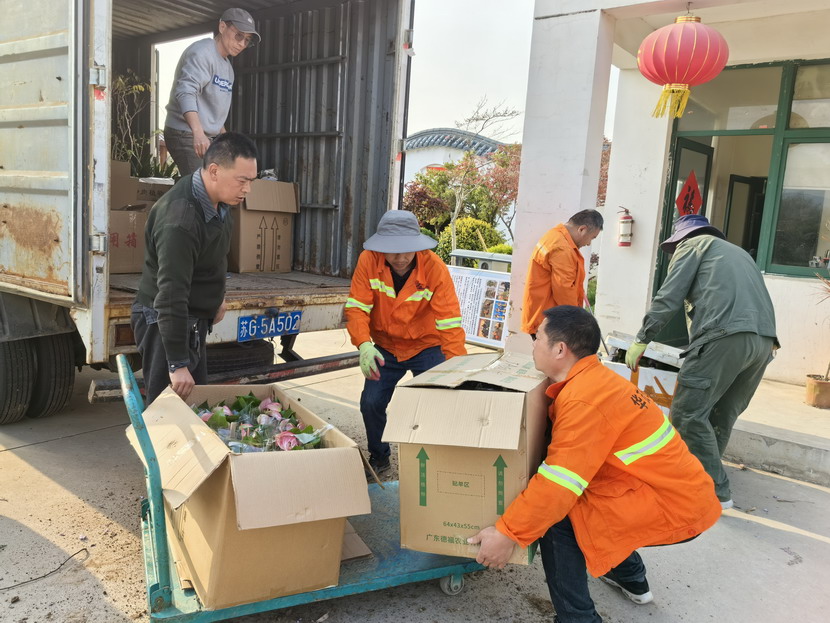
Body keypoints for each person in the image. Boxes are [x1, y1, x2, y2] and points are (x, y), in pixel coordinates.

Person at [468, 306, 722, 623]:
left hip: (672, 503)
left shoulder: (584, 400)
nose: (533, 344)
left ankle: (578, 619)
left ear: (560, 349)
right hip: (669, 491)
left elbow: (557, 487)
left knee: (560, 518)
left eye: (538, 337)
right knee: (588, 508)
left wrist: (508, 533)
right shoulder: (593, 380)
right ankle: (632, 579)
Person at [625, 213, 778, 509]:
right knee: (720, 414)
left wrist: (642, 338)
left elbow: (669, 296)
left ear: (682, 238)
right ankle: (704, 484)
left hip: (725, 338)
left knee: (688, 412)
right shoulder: (739, 254)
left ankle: (714, 492)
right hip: (764, 343)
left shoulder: (693, 246)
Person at [131, 132, 258, 405]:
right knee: (167, 410)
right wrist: (177, 363)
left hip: (192, 318)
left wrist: (217, 298)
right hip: (165, 321)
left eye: (251, 181)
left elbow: (214, 256)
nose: (247, 189)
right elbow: (170, 294)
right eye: (242, 180)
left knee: (195, 405)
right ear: (214, 171)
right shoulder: (181, 220)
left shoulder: (219, 202)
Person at [344, 211, 467, 475]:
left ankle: (436, 460)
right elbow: (357, 307)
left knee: (439, 402)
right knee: (371, 403)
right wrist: (363, 344)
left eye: (406, 250)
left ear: (417, 245)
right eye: (392, 251)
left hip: (427, 346)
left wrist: (457, 367)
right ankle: (379, 457)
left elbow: (449, 322)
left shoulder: (435, 268)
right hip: (384, 347)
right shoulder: (368, 260)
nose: (400, 258)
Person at [164, 8, 260, 177]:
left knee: (222, 182)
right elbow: (185, 92)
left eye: (247, 40)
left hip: (206, 136)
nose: (242, 44)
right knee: (204, 185)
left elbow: (214, 113)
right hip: (185, 132)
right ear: (222, 27)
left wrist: (226, 139)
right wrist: (198, 133)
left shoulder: (228, 69)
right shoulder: (202, 53)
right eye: (239, 36)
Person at [521, 210, 604, 338]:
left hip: (545, 315)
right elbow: (564, 290)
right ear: (582, 229)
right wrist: (577, 320)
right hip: (552, 322)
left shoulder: (554, 236)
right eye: (592, 238)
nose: (589, 243)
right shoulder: (562, 248)